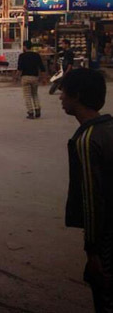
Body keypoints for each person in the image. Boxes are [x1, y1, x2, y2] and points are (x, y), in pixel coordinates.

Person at [60, 68, 113, 313]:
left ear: (77, 95)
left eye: (64, 91)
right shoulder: (108, 129)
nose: (60, 96)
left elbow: (92, 199)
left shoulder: (86, 140)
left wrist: (92, 251)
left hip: (105, 238)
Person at [16, 41, 46, 119]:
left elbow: (20, 68)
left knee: (27, 96)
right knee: (35, 94)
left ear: (25, 47)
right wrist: (43, 78)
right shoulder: (36, 55)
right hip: (35, 77)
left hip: (25, 77)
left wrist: (16, 77)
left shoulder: (22, 56)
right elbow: (42, 68)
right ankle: (37, 108)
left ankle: (31, 112)